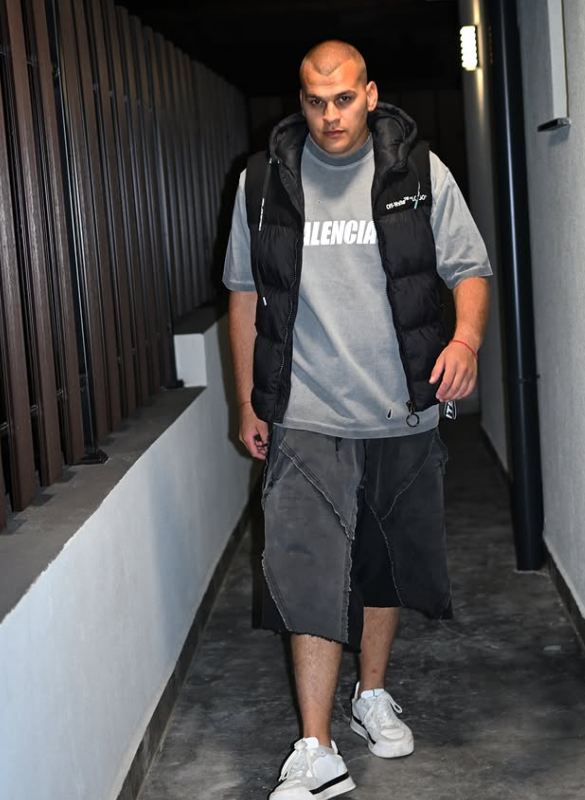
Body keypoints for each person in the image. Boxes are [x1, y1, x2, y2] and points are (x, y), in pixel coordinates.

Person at [223, 39, 491, 800]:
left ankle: (371, 694)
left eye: (344, 99)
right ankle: (316, 748)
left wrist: (466, 340)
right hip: (305, 411)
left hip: (400, 409)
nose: (330, 116)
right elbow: (243, 292)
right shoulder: (264, 183)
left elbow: (468, 268)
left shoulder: (419, 172)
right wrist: (247, 399)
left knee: (384, 568)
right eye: (315, 101)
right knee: (307, 570)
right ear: (300, 100)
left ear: (370, 94)